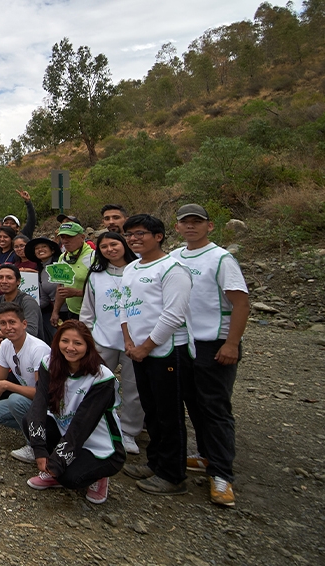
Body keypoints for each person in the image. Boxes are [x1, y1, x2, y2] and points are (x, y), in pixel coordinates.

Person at [171, 203, 250, 508]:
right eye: (185, 222)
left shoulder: (221, 259)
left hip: (214, 343)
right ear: (177, 227)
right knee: (193, 403)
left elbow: (241, 303)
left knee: (215, 408)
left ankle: (222, 474)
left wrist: (232, 343)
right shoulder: (175, 257)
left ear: (209, 226)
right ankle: (205, 456)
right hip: (183, 342)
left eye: (197, 222)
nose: (191, 227)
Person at [118, 213, 194, 497]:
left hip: (167, 351)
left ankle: (173, 475)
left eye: (140, 234)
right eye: (130, 235)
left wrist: (146, 346)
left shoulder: (173, 268)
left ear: (158, 236)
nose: (134, 239)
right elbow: (124, 305)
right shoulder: (132, 268)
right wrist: (128, 340)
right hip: (137, 350)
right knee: (151, 408)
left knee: (169, 413)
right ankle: (155, 463)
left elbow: (174, 315)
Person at [23, 320, 126, 505]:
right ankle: (58, 468)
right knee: (30, 421)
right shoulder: (49, 364)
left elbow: (82, 425)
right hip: (68, 432)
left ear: (88, 346)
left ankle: (99, 475)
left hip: (99, 444)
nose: (70, 348)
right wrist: (39, 449)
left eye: (77, 343)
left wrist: (56, 463)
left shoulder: (102, 378)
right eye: (65, 341)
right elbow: (38, 405)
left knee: (70, 479)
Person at [78, 231, 143, 455]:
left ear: (124, 244)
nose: (110, 250)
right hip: (102, 339)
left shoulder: (139, 271)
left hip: (135, 342)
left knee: (133, 387)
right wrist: (85, 338)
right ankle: (95, 423)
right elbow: (87, 310)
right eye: (104, 247)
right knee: (94, 383)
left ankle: (129, 431)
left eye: (114, 244)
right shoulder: (96, 275)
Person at [0, 302, 53, 464]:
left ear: (24, 324)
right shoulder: (6, 345)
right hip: (33, 401)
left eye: (12, 322)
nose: (8, 327)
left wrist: (8, 386)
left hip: (50, 404)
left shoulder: (38, 349)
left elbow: (43, 393)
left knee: (15, 400)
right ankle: (40, 432)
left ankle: (35, 445)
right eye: (3, 324)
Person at [0, 264, 43, 370]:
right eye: (0, 277)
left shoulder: (27, 302)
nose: (4, 281)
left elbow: (31, 331)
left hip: (31, 353)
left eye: (9, 278)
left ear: (18, 281)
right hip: (8, 347)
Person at [49, 222, 95, 326]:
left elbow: (102, 292)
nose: (65, 241)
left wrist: (76, 293)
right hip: (73, 312)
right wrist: (55, 311)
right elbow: (60, 287)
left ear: (82, 237)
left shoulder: (94, 257)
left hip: (93, 313)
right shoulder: (62, 257)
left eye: (70, 237)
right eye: (62, 237)